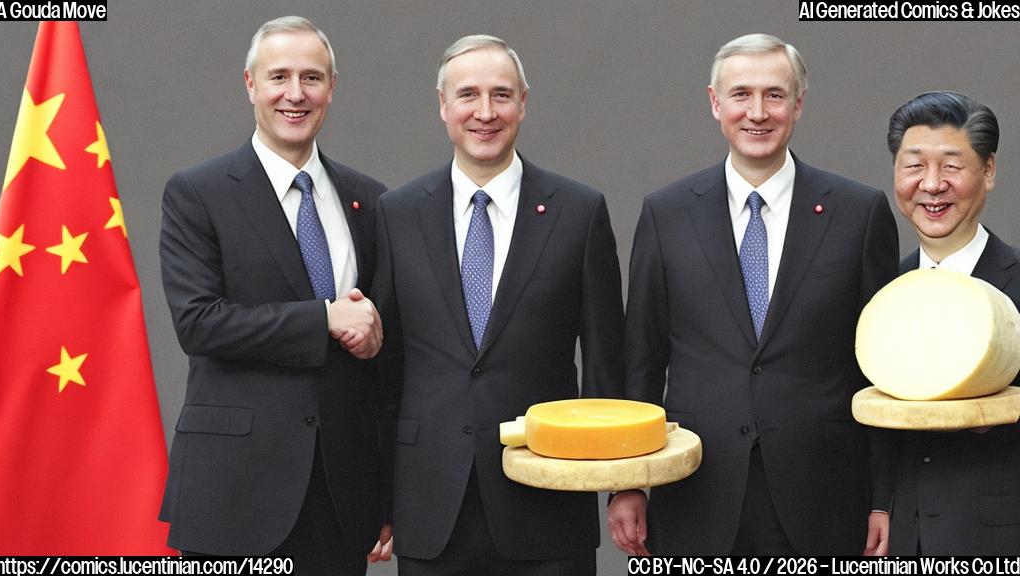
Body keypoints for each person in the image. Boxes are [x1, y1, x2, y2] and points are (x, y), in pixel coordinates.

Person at [609, 33, 899, 556]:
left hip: (827, 494)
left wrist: (883, 498)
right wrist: (628, 481)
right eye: (741, 94)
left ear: (799, 104)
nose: (758, 112)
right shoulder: (666, 213)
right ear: (715, 103)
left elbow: (881, 370)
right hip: (697, 487)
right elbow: (643, 361)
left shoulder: (858, 212)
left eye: (775, 95)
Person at [371, 34, 624, 574]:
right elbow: (384, 370)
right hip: (429, 505)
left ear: (524, 103)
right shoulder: (397, 214)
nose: (485, 112)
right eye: (468, 95)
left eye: (501, 95)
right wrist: (376, 493)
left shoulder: (578, 213)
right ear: (443, 105)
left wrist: (619, 487)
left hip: (547, 503)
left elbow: (607, 367)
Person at [158, 16, 392, 573]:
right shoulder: (198, 193)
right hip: (234, 491)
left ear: (331, 88)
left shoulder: (370, 200)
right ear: (250, 85)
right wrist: (324, 320)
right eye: (279, 76)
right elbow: (199, 323)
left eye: (311, 78)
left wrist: (384, 493)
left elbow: (382, 357)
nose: (295, 94)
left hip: (340, 497)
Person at [884, 91, 1020, 555]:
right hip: (900, 538)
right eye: (915, 165)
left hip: (1000, 536)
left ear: (988, 171)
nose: (932, 184)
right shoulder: (881, 291)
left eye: (952, 166)